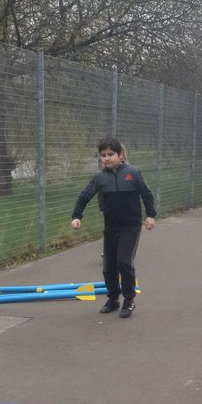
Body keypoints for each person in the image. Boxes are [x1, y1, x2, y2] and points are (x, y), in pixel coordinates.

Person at [71, 136, 155, 318]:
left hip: (130, 227)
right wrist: (77, 216)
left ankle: (129, 300)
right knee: (109, 266)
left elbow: (147, 194)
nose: (106, 158)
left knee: (123, 262)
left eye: (110, 154)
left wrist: (150, 215)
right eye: (103, 155)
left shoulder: (133, 172)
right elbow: (84, 196)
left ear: (120, 154)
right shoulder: (100, 177)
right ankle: (113, 299)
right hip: (111, 227)